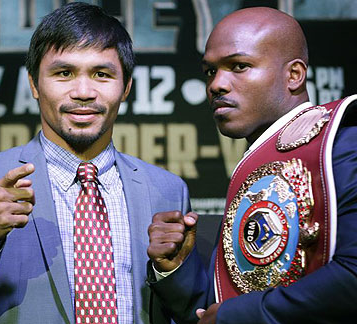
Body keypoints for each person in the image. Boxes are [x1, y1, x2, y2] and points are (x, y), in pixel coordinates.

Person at [0, 2, 190, 323]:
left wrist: (170, 271)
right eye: (64, 73)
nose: (83, 92)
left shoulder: (167, 188)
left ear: (127, 88)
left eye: (102, 74)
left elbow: (187, 311)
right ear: (34, 85)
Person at [147, 6, 357, 324]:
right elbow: (216, 310)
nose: (216, 84)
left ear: (294, 75)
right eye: (210, 71)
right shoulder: (257, 164)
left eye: (239, 66)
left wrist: (241, 315)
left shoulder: (343, 145)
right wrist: (175, 268)